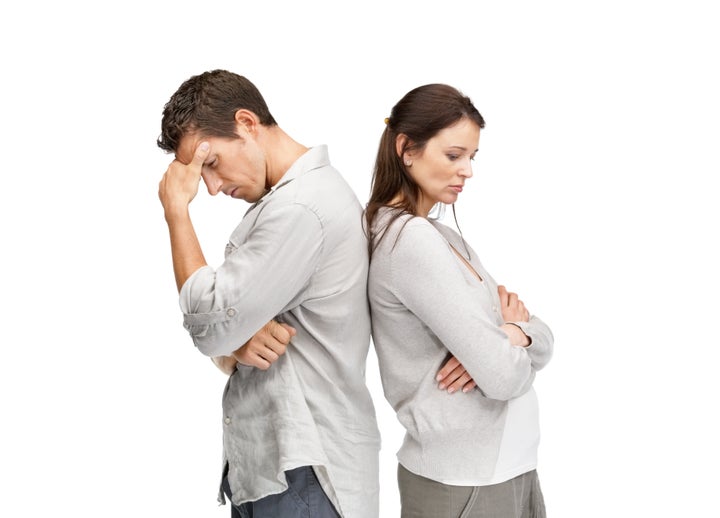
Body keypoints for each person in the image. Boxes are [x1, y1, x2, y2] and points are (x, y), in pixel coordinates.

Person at [157, 69, 380, 518]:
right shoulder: (293, 202)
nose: (213, 188)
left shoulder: (301, 209)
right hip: (281, 469)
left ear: (246, 123)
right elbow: (226, 338)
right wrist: (236, 343)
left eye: (211, 164)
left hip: (306, 475)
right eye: (201, 177)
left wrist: (176, 211)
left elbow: (210, 320)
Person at [364, 83, 554, 518]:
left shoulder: (441, 235)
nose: (467, 170)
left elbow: (540, 335)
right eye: (454, 155)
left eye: (472, 157)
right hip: (468, 485)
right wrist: (504, 343)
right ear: (406, 149)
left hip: (504, 471)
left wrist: (512, 333)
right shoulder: (409, 241)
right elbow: (504, 378)